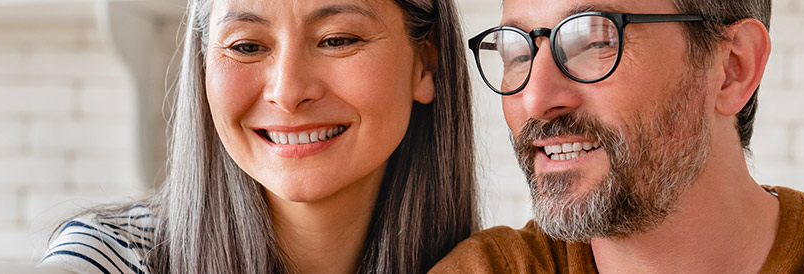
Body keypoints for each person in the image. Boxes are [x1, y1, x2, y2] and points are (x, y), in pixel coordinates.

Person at [432, 0, 804, 273]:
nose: (535, 97)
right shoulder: (492, 271)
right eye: (515, 48)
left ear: (732, 68)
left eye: (594, 40)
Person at [39, 0, 479, 273]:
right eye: (246, 46)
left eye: (337, 39)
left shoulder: (492, 265)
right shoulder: (107, 258)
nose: (287, 92)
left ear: (425, 62)